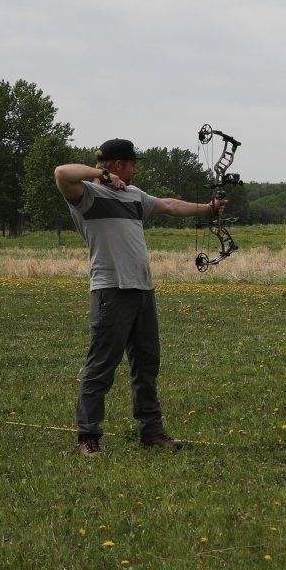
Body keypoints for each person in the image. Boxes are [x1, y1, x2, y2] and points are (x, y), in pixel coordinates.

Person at [54, 137, 224, 458]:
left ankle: (151, 432)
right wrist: (102, 176)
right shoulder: (87, 195)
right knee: (101, 366)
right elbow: (62, 172)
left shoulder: (133, 196)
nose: (135, 170)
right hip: (111, 290)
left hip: (143, 292)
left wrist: (209, 208)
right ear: (118, 165)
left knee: (146, 365)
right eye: (132, 164)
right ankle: (88, 438)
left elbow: (170, 205)